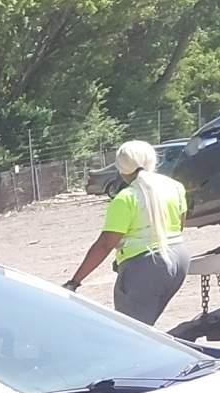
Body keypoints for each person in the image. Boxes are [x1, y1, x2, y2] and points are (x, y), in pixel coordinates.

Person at [64, 139, 189, 324]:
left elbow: (105, 244)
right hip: (179, 259)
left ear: (121, 168)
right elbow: (179, 225)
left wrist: (75, 281)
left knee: (132, 331)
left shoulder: (125, 198)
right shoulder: (175, 187)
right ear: (153, 161)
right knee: (148, 326)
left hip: (145, 267)